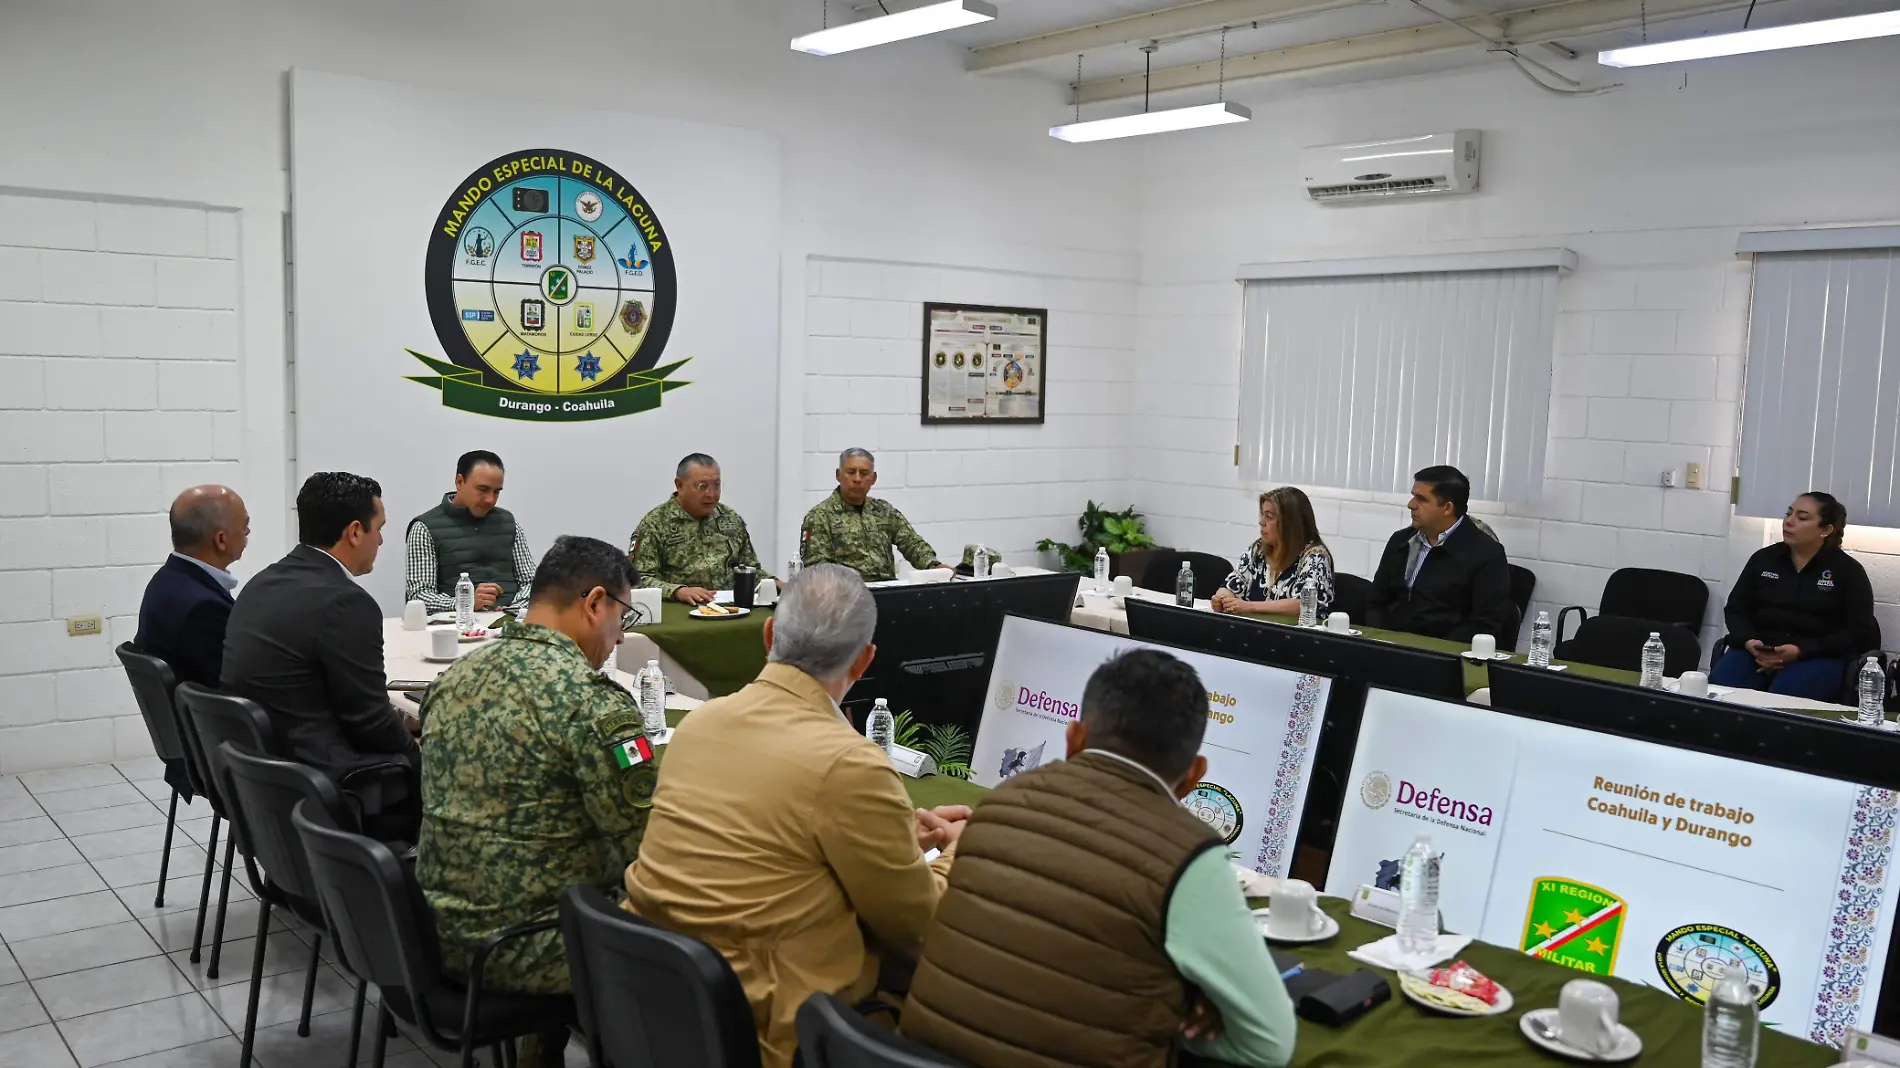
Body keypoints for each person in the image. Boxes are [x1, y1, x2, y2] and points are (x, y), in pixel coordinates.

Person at [621, 565, 964, 1068]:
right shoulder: (851, 764)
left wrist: (889, 840)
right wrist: (959, 854)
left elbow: (767, 849)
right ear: (865, 660)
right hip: (768, 1032)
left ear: (768, 635)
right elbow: (920, 925)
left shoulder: (699, 723)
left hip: (656, 1008)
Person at [902, 649, 1297, 1068]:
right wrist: (1177, 1017)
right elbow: (1267, 1044)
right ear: (1195, 774)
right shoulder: (1189, 857)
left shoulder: (1000, 803)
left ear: (1074, 738)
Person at [419, 535, 652, 1066]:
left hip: (435, 932)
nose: (619, 637)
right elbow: (646, 843)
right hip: (530, 947)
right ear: (595, 603)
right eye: (623, 616)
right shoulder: (594, 706)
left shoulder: (456, 677)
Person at [222, 472, 421, 839]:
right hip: (329, 780)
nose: (381, 541)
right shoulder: (347, 602)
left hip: (269, 777)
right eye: (379, 529)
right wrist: (416, 746)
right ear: (355, 531)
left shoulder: (262, 582)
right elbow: (369, 721)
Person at [135, 485, 249, 798]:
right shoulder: (202, 605)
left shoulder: (168, 580)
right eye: (245, 525)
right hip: (214, 753)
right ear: (221, 539)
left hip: (187, 743)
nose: (249, 532)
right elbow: (237, 686)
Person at [1710, 491, 1879, 700]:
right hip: (1757, 651)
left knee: (1786, 698)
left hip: (1817, 656)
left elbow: (1858, 630)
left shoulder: (1847, 571)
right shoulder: (1764, 559)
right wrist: (1749, 642)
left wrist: (1801, 651)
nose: (1789, 522)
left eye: (1802, 517)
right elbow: (1736, 609)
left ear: (1826, 530)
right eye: (1788, 514)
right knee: (1721, 691)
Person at [1366, 465, 1512, 641]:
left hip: (1444, 655)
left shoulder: (1486, 554)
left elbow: (1485, 626)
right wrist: (1382, 639)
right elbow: (1375, 602)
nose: (1411, 504)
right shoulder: (1401, 541)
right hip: (1390, 646)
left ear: (1447, 508)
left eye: (1421, 499)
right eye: (1413, 496)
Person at [404, 449, 536, 614]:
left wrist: (513, 609)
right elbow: (419, 597)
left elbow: (531, 582)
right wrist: (465, 602)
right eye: (483, 489)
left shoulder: (509, 522)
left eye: (496, 491)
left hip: (510, 624)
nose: (491, 499)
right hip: (455, 631)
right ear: (459, 482)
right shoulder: (424, 528)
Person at [628, 453, 768, 605]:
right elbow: (638, 579)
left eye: (716, 485)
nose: (712, 494)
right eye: (702, 486)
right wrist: (677, 591)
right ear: (679, 485)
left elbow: (749, 569)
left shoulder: (730, 518)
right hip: (681, 610)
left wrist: (775, 584)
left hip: (731, 607)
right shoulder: (655, 524)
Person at [800, 448, 942, 582]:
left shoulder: (883, 510)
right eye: (851, 472)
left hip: (887, 592)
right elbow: (816, 569)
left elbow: (912, 543)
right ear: (838, 475)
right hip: (845, 597)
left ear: (873, 478)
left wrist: (933, 566)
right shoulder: (820, 516)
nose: (857, 479)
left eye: (864, 473)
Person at [1212, 486, 1335, 617]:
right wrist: (1222, 599)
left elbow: (1304, 604)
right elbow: (1232, 584)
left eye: (1269, 517)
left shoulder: (1315, 557)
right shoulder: (1258, 549)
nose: (1261, 522)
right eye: (1262, 515)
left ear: (1289, 523)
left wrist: (1249, 606)